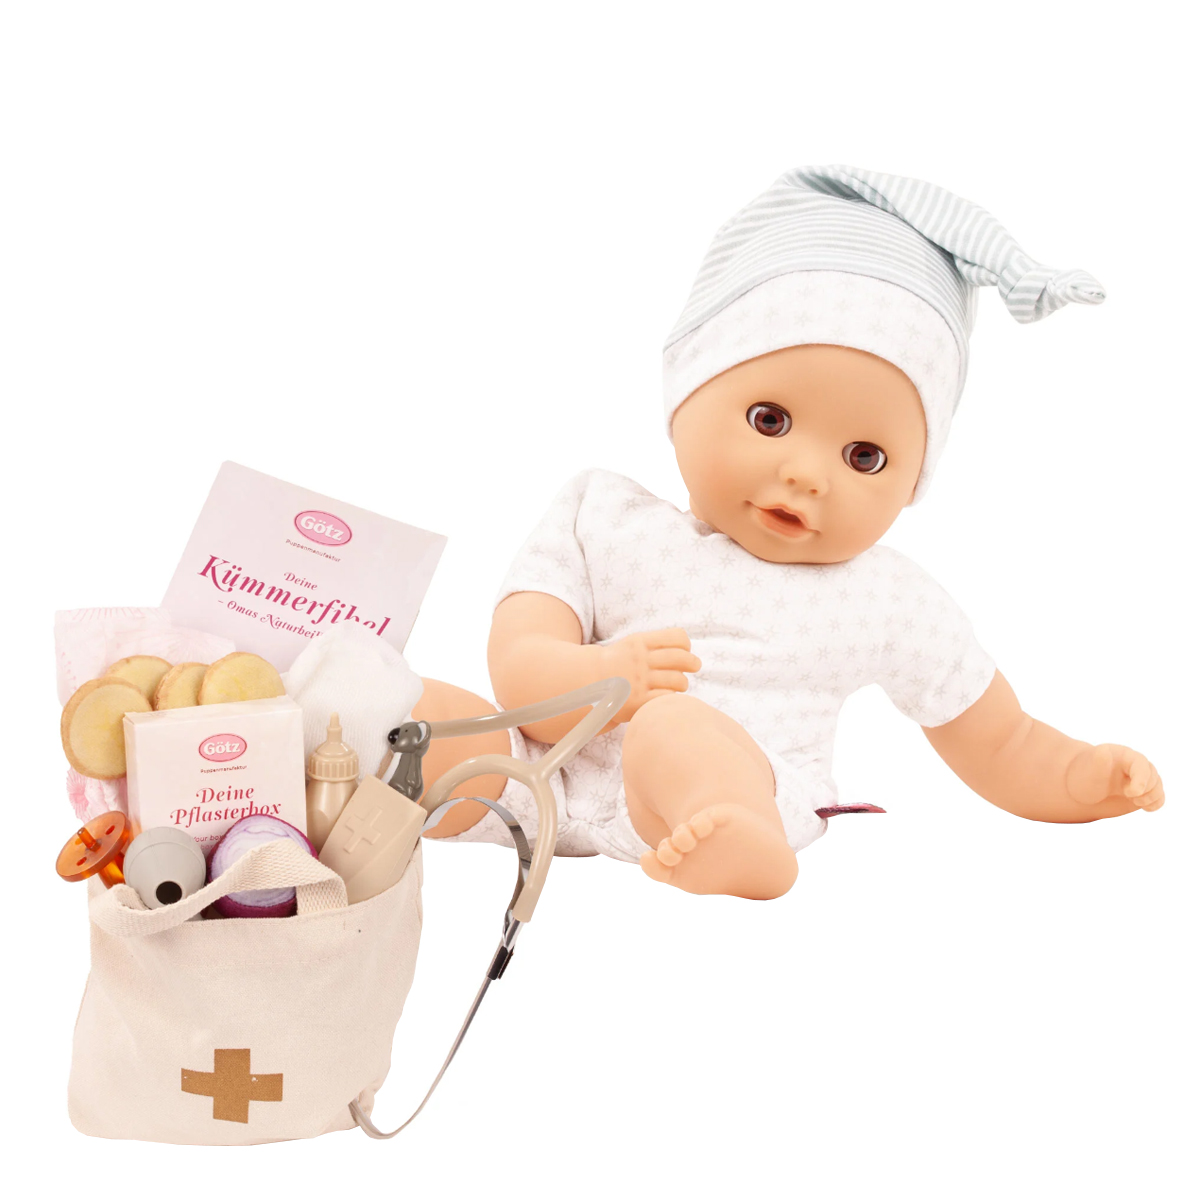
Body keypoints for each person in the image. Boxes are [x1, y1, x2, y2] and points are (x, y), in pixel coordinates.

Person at [413, 166, 1164, 900]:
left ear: (914, 481)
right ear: (686, 392)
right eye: (770, 420)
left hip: (745, 786)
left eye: (864, 457)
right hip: (538, 770)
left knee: (676, 729)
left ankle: (733, 836)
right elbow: (519, 663)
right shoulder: (601, 517)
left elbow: (1001, 740)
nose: (808, 475)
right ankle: (358, 776)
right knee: (418, 713)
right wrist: (599, 676)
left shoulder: (884, 598)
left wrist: (1080, 778)